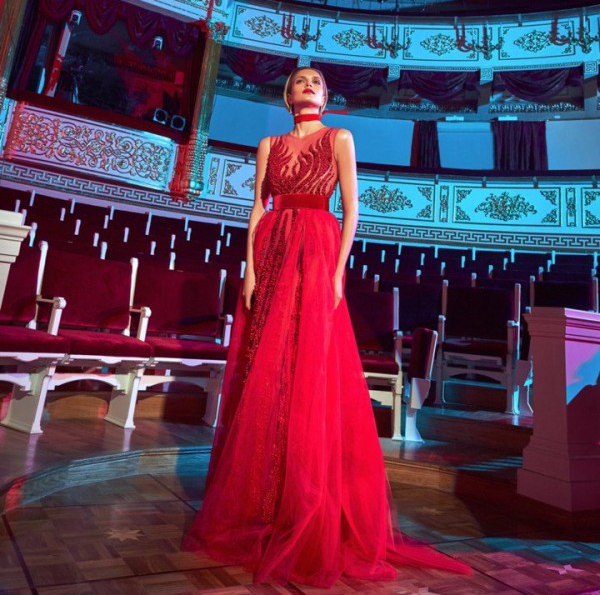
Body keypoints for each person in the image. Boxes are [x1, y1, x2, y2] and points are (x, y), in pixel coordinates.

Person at [185, 67, 471, 586]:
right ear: (286, 94)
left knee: (308, 360)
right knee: (266, 364)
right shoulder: (269, 144)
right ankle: (260, 500)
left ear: (325, 94)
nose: (308, 84)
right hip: (272, 247)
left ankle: (305, 497)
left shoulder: (340, 137)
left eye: (316, 80)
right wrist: (250, 269)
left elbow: (352, 209)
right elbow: (257, 208)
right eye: (300, 80)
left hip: (318, 245)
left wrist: (338, 272)